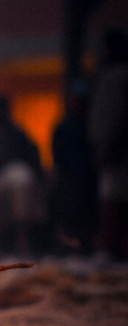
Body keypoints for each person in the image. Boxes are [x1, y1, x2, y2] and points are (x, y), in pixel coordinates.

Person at [0, 96, 44, 253]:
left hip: (15, 172)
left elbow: (32, 154)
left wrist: (40, 178)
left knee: (21, 180)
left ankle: (22, 238)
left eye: (0, 110)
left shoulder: (16, 133)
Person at [88, 29, 128, 261]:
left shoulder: (117, 77)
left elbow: (113, 114)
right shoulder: (111, 75)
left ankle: (114, 247)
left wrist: (108, 143)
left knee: (114, 197)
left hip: (117, 149)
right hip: (113, 146)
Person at [50, 81, 98, 254]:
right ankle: (67, 245)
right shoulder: (63, 127)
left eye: (82, 99)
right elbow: (58, 155)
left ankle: (87, 244)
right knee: (68, 210)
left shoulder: (92, 126)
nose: (79, 103)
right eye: (76, 99)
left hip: (90, 177)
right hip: (69, 178)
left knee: (89, 214)